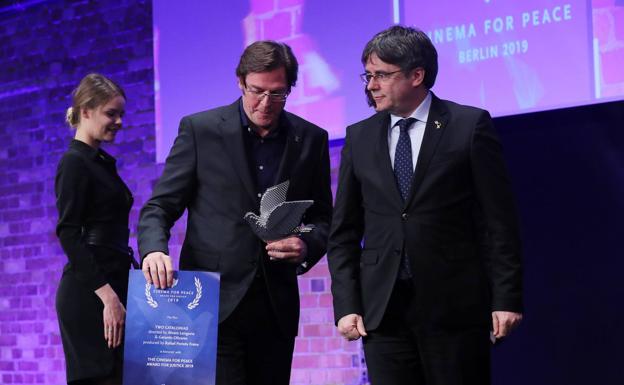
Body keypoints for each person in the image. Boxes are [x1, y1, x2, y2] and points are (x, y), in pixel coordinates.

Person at [328, 26, 523, 385]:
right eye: (369, 76)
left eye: (382, 75)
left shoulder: (468, 125)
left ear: (417, 75)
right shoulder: (360, 136)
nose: (371, 85)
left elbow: (499, 221)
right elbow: (343, 232)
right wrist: (346, 304)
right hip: (383, 311)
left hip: (454, 307)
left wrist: (506, 297)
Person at [138, 41, 332, 385]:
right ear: (240, 81)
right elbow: (160, 206)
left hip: (275, 307)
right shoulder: (201, 130)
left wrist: (306, 246)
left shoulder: (310, 139)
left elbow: (323, 221)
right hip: (211, 304)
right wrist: (154, 248)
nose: (265, 103)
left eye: (278, 94)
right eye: (257, 91)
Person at [55, 73, 136, 385]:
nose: (118, 122)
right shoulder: (74, 162)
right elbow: (67, 233)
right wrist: (109, 298)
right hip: (92, 295)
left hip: (113, 281)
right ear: (85, 111)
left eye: (121, 114)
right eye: (111, 113)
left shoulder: (99, 161)